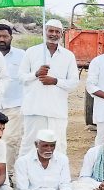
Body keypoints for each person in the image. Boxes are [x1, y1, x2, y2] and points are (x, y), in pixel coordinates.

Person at [3, 130, 93, 190]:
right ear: (36, 145)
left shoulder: (62, 159)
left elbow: (65, 186)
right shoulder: (23, 162)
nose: (49, 149)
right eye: (45, 146)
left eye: (52, 145)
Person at [18, 19, 79, 158]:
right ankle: (24, 178)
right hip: (34, 109)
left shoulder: (68, 56)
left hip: (57, 111)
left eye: (57, 31)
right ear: (44, 32)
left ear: (61, 34)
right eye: (50, 30)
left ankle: (57, 178)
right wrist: (36, 74)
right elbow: (21, 77)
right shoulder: (31, 52)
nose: (53, 34)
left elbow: (74, 83)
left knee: (58, 147)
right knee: (30, 145)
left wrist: (55, 81)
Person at [0, 22, 25, 178]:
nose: (1, 39)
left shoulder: (22, 56)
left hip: (15, 104)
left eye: (5, 36)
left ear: (11, 37)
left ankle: (6, 175)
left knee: (11, 140)